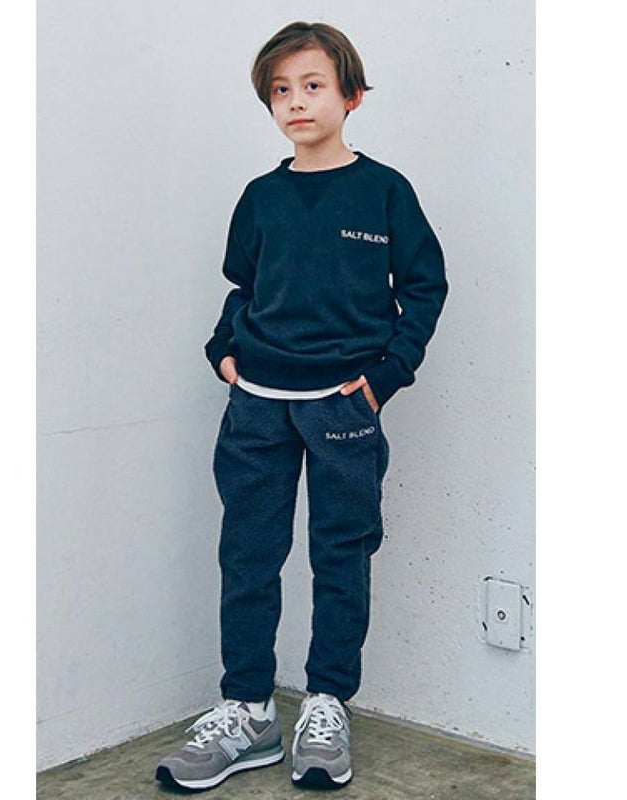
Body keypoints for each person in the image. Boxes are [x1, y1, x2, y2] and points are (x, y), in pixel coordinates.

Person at [155, 20, 447, 792]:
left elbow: (424, 288)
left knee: (340, 554)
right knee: (248, 554)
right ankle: (248, 711)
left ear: (351, 95)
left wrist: (387, 375)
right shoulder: (260, 198)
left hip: (343, 407)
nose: (295, 101)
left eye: (312, 85)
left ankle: (326, 705)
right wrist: (223, 349)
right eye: (280, 90)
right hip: (255, 404)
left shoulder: (385, 193)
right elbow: (244, 289)